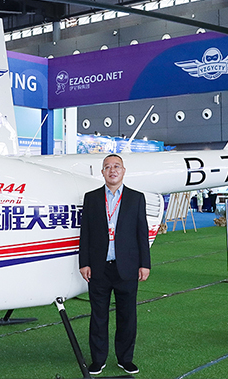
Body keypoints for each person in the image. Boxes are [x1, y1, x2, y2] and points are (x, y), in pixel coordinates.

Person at [79, 154, 150, 376]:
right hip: (98, 267)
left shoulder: (136, 198)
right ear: (102, 172)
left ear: (123, 170)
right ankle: (98, 360)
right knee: (98, 316)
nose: (112, 170)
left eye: (116, 166)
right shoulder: (91, 198)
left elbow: (142, 232)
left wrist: (145, 264)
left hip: (127, 267)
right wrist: (84, 262)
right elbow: (85, 233)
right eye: (107, 167)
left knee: (127, 316)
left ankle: (125, 359)